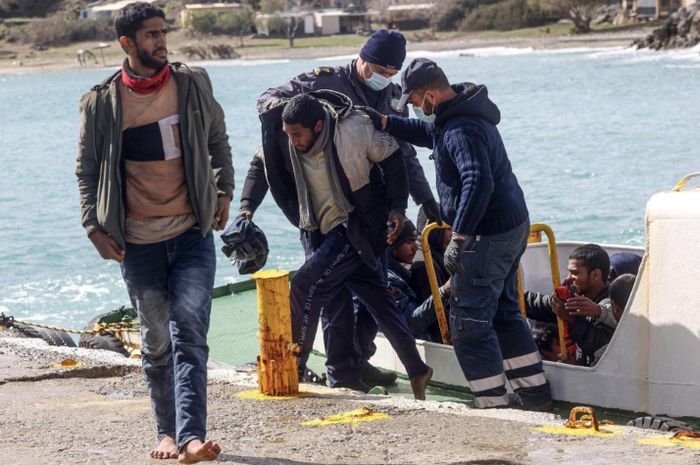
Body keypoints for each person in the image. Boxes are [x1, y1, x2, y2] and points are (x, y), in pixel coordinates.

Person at [75, 3, 233, 462]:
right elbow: (87, 170)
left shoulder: (192, 83)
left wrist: (223, 189)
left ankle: (192, 437)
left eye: (163, 32)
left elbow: (218, 139)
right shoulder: (101, 104)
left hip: (192, 233)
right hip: (138, 243)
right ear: (127, 43)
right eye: (151, 35)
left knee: (191, 335)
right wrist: (92, 225)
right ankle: (166, 433)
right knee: (157, 341)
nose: (161, 41)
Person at [241, 30, 441, 389]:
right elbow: (269, 104)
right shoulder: (324, 83)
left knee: (373, 290)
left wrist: (422, 201)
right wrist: (282, 121)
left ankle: (357, 364)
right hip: (321, 210)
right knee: (332, 295)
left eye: (391, 73)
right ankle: (342, 373)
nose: (384, 77)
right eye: (379, 69)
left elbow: (402, 154)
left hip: (369, 211)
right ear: (363, 59)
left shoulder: (391, 97)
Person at [361, 58, 551, 410]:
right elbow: (430, 135)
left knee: (469, 324)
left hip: (485, 236)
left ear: (430, 96)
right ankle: (535, 395)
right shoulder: (458, 115)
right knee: (505, 312)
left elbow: (477, 180)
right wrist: (386, 122)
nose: (413, 107)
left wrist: (459, 237)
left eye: (414, 101)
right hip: (511, 227)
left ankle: (494, 404)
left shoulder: (461, 128)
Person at [525, 244, 616, 366]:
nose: (568, 278)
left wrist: (571, 318)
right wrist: (512, 295)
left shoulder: (612, 305)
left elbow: (600, 347)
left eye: (574, 273)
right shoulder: (576, 297)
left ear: (595, 275)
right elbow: (541, 304)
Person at [388, 219, 448, 342]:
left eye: (415, 241)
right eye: (408, 242)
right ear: (392, 245)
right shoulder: (389, 280)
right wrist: (444, 292)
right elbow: (410, 323)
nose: (415, 248)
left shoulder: (401, 273)